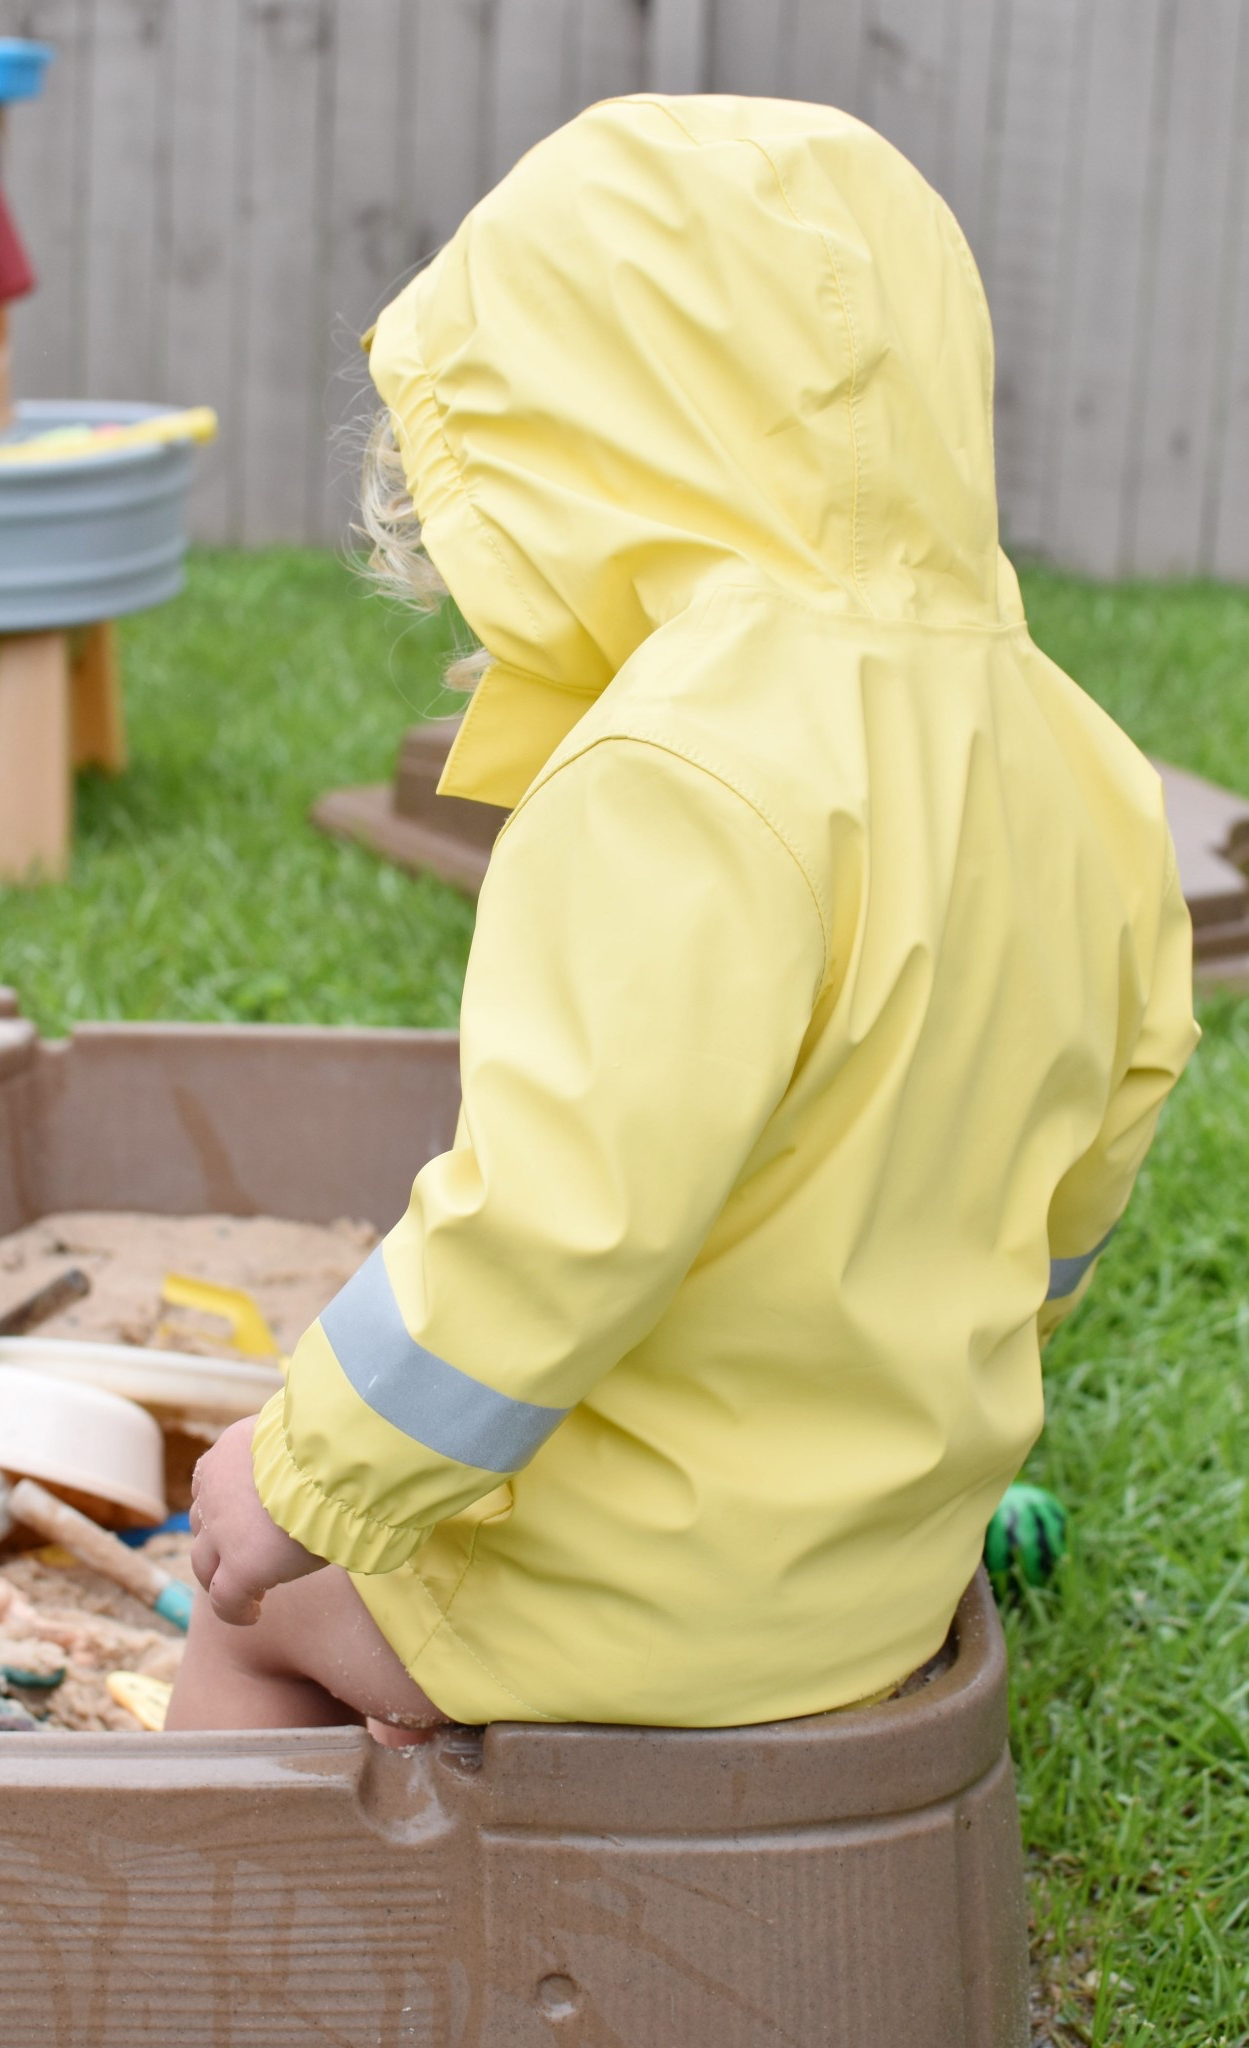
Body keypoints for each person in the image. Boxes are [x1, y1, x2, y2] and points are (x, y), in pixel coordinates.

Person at [166, 95, 1198, 1743]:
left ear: (578, 445)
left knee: (258, 1615)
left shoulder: (676, 767)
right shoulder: (1074, 751)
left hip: (647, 1601)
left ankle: (241, 1954)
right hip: (880, 1562)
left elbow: (565, 1215)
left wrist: (296, 1475)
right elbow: (1084, 1160)